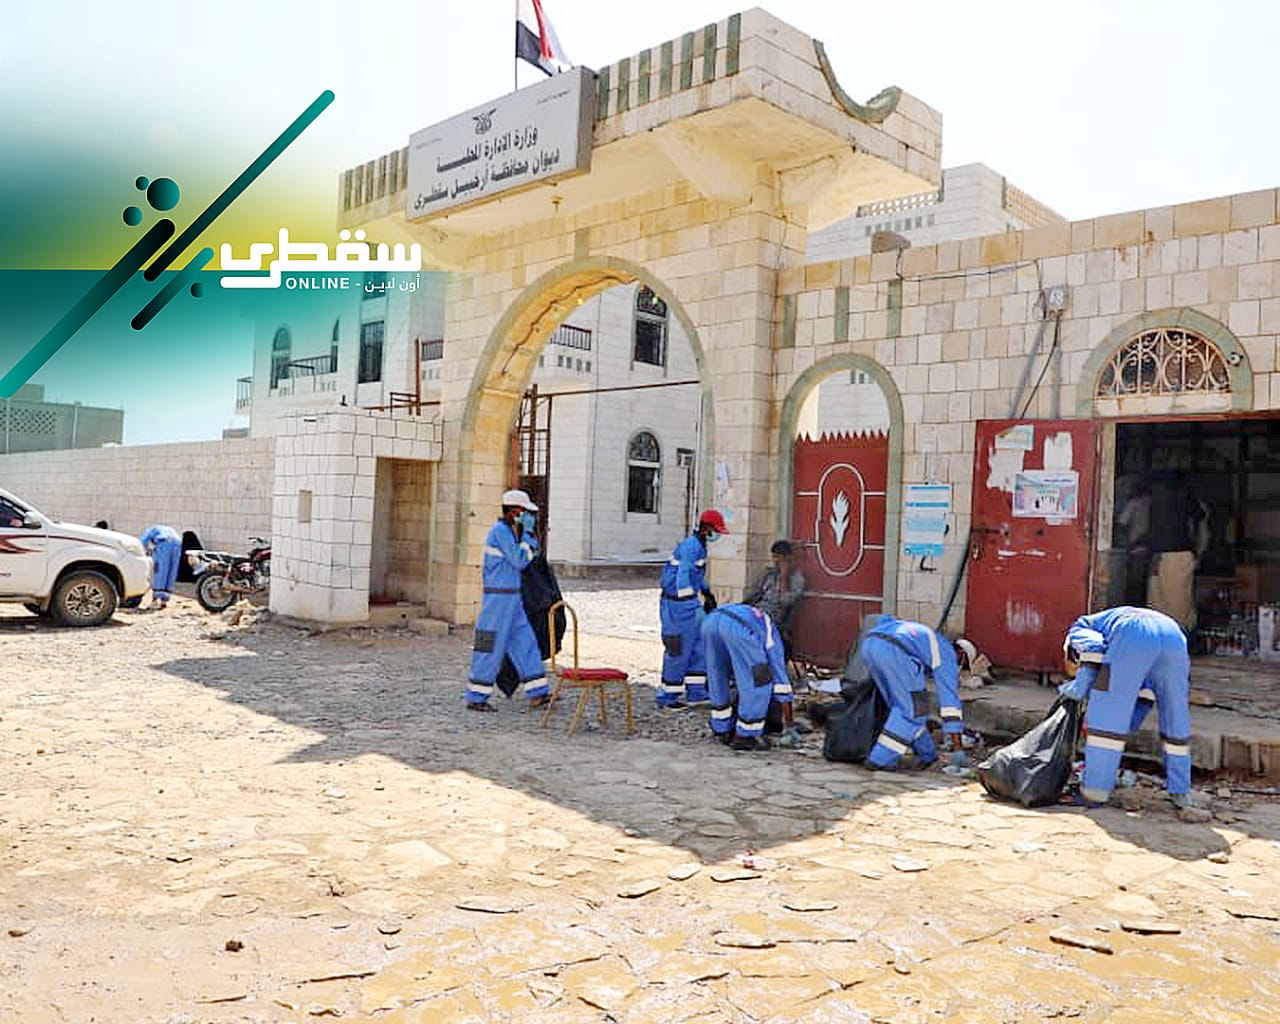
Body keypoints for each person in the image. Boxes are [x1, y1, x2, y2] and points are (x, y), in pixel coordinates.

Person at [1057, 605, 1193, 811]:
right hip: (1173, 636)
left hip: (1132, 634)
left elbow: (1093, 651)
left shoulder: (1079, 628)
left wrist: (1078, 687)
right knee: (1176, 716)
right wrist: (1126, 727)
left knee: (1105, 721)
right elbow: (1145, 697)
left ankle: (1095, 792)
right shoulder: (1110, 622)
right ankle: (1181, 793)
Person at [465, 489, 550, 712]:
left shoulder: (510, 532)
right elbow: (519, 561)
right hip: (498, 600)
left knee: (526, 643)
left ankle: (538, 692)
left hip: (512, 598)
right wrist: (528, 536)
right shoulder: (500, 532)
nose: (529, 517)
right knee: (488, 646)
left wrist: (528, 537)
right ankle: (476, 697)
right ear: (514, 512)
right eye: (525, 512)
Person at [852, 614, 970, 770]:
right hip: (894, 652)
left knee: (911, 709)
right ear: (961, 655)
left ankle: (927, 754)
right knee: (911, 711)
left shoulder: (929, 638)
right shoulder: (947, 653)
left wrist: (930, 756)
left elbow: (884, 621)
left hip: (870, 644)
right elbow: (950, 702)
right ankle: (879, 759)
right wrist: (958, 747)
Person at [657, 509, 728, 709]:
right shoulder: (691, 546)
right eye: (716, 531)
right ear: (707, 529)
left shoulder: (699, 546)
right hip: (677, 606)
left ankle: (696, 692)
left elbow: (696, 574)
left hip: (687, 605)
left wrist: (707, 592)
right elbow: (683, 575)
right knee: (678, 648)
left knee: (699, 646)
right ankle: (668, 697)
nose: (717, 535)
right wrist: (691, 600)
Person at [701, 602, 794, 751]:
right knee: (759, 680)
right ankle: (746, 736)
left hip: (711, 621)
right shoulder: (772, 636)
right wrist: (789, 725)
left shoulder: (757, 617)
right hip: (738, 629)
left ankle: (721, 728)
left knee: (717, 674)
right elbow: (782, 683)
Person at [745, 539, 805, 658]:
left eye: (779, 558)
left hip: (774, 620)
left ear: (788, 558)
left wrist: (784, 578)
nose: (775, 561)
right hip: (757, 613)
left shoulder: (797, 578)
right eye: (774, 557)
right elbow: (757, 594)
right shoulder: (770, 574)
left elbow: (786, 602)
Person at [140, 524, 182, 609]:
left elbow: (142, 542)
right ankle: (164, 600)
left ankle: (155, 600)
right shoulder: (167, 529)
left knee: (160, 571)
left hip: (164, 544)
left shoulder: (151, 530)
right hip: (177, 544)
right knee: (171, 571)